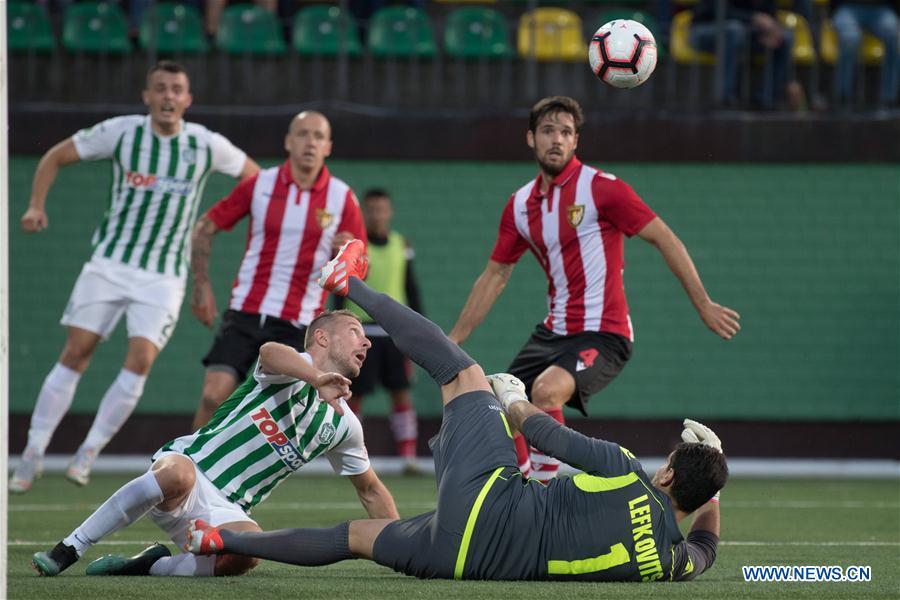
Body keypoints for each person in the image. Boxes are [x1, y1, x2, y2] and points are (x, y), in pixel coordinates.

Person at [184, 239, 728, 583]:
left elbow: (545, 435)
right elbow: (707, 546)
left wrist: (512, 398)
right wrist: (715, 483)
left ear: (668, 472)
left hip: (489, 502)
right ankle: (221, 539)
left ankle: (348, 284)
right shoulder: (672, 563)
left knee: (462, 373)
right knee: (352, 538)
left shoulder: (627, 471)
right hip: (467, 563)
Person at [447, 96, 740, 484]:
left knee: (547, 390)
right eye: (549, 131)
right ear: (531, 138)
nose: (557, 139)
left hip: (606, 333)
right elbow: (494, 276)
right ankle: (516, 494)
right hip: (554, 332)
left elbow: (665, 238)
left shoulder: (602, 189)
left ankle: (540, 495)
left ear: (575, 142)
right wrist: (451, 341)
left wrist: (702, 303)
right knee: (499, 407)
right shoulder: (519, 206)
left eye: (566, 132)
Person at [10, 60, 260, 494]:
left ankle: (87, 452)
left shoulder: (205, 144)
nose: (167, 97)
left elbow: (255, 178)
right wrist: (36, 204)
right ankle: (32, 452)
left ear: (188, 99)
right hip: (109, 263)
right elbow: (56, 155)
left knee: (141, 359)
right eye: (159, 88)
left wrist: (219, 219)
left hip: (163, 275)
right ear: (146, 96)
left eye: (176, 89)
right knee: (77, 351)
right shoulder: (122, 132)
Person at [30, 308, 399, 578]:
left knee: (249, 552)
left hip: (225, 511)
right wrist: (317, 377)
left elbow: (369, 490)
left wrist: (401, 546)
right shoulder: (288, 369)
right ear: (322, 337)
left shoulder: (344, 424)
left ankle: (149, 566)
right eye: (354, 330)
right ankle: (69, 548)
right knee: (176, 474)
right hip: (189, 469)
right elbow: (270, 351)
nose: (366, 339)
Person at [189, 111, 366, 430]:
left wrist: (345, 256)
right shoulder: (259, 184)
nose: (309, 142)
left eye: (318, 136)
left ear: (328, 146)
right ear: (288, 141)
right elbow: (204, 227)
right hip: (245, 311)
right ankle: (183, 469)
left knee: (281, 417)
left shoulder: (342, 198)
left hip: (298, 324)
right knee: (213, 397)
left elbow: (360, 265)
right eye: (302, 134)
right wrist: (201, 285)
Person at [338, 188, 424, 474]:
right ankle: (353, 456)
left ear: (390, 212)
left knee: (400, 393)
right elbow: (340, 288)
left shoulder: (402, 244)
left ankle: (408, 459)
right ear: (364, 211)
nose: (377, 214)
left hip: (394, 330)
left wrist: (418, 331)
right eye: (371, 209)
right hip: (360, 329)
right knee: (354, 394)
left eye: (382, 209)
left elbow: (412, 289)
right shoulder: (355, 248)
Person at [690, 0, 797, 108]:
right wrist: (753, 18)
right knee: (734, 30)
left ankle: (765, 97)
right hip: (705, 29)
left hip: (747, 31)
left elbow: (770, 18)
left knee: (784, 38)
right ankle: (724, 98)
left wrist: (771, 32)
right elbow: (718, 11)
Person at [831, 0, 899, 107]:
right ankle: (843, 98)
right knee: (850, 38)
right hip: (848, 7)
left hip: (880, 9)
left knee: (893, 34)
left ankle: (889, 99)